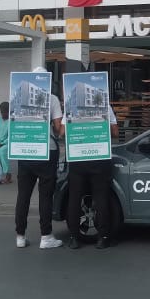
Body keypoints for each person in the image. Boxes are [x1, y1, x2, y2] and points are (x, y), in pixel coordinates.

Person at [14, 66, 63, 250]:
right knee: (45, 195)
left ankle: (20, 236)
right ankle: (46, 236)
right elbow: (58, 128)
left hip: (25, 150)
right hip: (46, 151)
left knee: (23, 195)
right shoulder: (52, 99)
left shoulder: (19, 98)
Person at [63, 105, 119, 250]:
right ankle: (103, 238)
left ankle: (74, 238)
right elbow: (115, 132)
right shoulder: (105, 106)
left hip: (77, 157)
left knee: (74, 198)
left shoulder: (72, 107)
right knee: (101, 198)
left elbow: (62, 131)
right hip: (99, 157)